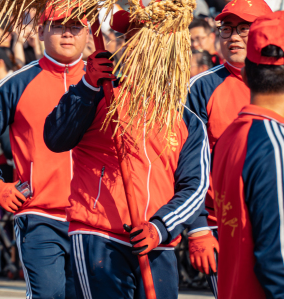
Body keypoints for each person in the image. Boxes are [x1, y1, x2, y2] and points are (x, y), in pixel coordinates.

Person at [43, 33, 210, 299]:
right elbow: (56, 139)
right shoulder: (101, 94)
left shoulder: (188, 121)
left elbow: (196, 187)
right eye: (136, 48)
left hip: (158, 244)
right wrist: (87, 86)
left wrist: (160, 227)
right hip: (99, 235)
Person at [186, 0, 284, 295]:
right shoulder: (204, 88)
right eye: (227, 27)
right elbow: (189, 166)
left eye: (244, 28)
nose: (234, 35)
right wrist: (198, 227)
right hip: (226, 226)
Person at [0, 2, 89, 299]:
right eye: (58, 26)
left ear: (88, 32)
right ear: (41, 31)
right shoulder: (16, 83)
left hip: (95, 220)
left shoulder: (106, 82)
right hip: (40, 216)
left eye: (76, 26)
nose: (68, 34)